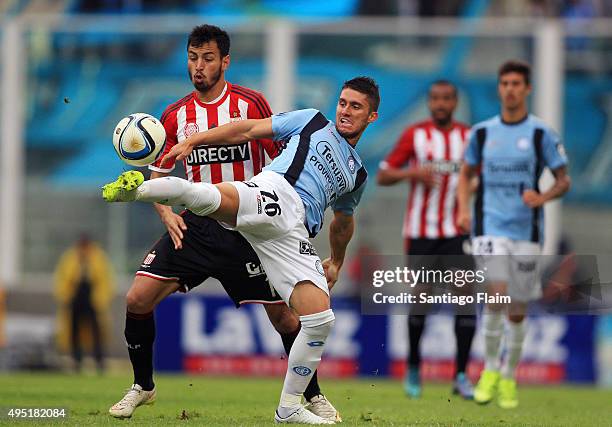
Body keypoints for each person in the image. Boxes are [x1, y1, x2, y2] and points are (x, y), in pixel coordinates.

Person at [102, 76, 380, 424]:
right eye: (342, 102)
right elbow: (247, 129)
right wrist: (195, 141)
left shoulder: (358, 175)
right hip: (274, 195)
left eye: (355, 107)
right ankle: (137, 190)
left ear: (371, 117)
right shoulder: (312, 120)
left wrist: (337, 261)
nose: (345, 111)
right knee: (209, 198)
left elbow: (342, 221)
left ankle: (290, 407)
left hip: (292, 236)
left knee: (319, 318)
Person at [457, 60, 570, 409]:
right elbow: (465, 174)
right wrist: (463, 208)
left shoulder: (541, 134)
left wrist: (543, 196)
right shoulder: (482, 133)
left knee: (517, 309)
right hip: (489, 227)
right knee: (498, 294)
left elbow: (563, 179)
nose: (510, 89)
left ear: (527, 89)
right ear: (499, 88)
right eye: (504, 83)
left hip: (527, 232)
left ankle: (508, 375)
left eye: (516, 84)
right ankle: (489, 370)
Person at [377, 80, 476, 399]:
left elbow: (480, 176)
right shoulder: (415, 135)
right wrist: (412, 173)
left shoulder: (469, 137)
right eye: (435, 98)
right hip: (421, 233)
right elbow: (384, 174)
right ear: (430, 102)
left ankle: (461, 374)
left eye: (447, 98)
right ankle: (415, 367)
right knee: (422, 298)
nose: (440, 103)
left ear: (455, 102)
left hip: (456, 233)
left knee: (465, 298)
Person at [53, 234, 115, 372]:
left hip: (93, 298)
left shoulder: (99, 257)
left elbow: (105, 280)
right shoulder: (70, 257)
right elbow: (62, 278)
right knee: (74, 331)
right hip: (75, 297)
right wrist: (64, 296)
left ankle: (99, 360)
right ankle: (76, 359)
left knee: (96, 330)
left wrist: (101, 299)